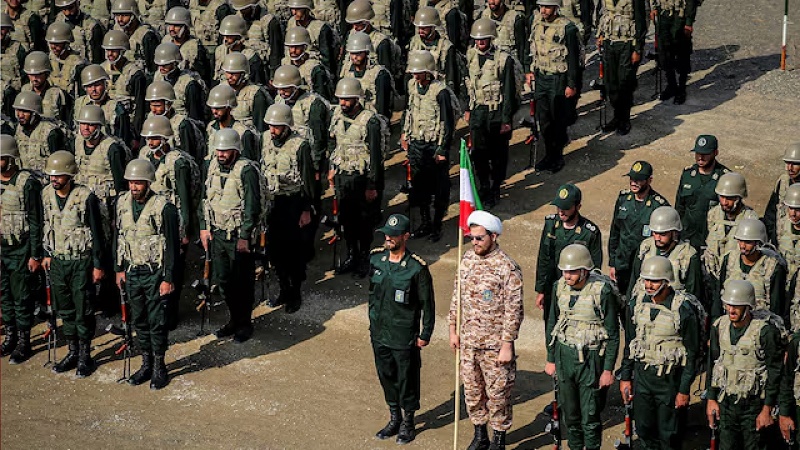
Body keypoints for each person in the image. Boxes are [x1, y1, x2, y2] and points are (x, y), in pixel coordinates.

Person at [449, 211, 523, 450]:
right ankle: (480, 435)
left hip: (494, 346)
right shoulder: (467, 260)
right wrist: (452, 328)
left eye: (480, 238)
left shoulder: (507, 267)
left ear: (493, 236)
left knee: (498, 395)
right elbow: (456, 298)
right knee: (472, 392)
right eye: (472, 237)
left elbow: (514, 309)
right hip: (469, 342)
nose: (475, 242)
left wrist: (507, 344)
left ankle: (499, 440)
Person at [619, 256, 700, 449]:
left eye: (654, 280)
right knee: (645, 429)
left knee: (669, 434)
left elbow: (692, 352)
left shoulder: (683, 309)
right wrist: (625, 377)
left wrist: (683, 390)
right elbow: (630, 343)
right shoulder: (636, 305)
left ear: (666, 281)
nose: (648, 284)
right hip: (643, 376)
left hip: (669, 380)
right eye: (646, 280)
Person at [545, 244, 619, 450]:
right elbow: (552, 323)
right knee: (571, 415)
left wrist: (607, 369)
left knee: (591, 416)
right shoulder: (558, 287)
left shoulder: (602, 292)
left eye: (571, 271)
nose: (566, 275)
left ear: (584, 270)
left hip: (591, 359)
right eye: (564, 271)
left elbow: (612, 334)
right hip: (564, 356)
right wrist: (551, 358)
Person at [113, 158, 179, 389]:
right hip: (132, 271)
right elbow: (118, 236)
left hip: (154, 273)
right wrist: (118, 268)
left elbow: (172, 246)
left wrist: (168, 278)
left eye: (139, 183)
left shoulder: (164, 208)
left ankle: (160, 366)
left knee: (156, 321)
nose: (134, 187)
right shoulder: (121, 203)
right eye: (131, 182)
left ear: (148, 182)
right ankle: (146, 362)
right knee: (139, 319)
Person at [369, 214, 435, 444]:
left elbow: (428, 304)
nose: (388, 238)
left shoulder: (416, 269)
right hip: (380, 333)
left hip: (404, 334)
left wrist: (425, 334)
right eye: (387, 233)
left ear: (405, 236)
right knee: (386, 375)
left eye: (394, 235)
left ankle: (408, 421)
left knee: (407, 379)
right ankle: (394, 417)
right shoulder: (377, 261)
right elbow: (372, 296)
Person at [41, 151, 106, 377]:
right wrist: (45, 254)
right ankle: (72, 351)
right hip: (58, 261)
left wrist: (98, 265)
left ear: (69, 175)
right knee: (66, 310)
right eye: (51, 175)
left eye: (59, 175)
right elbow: (45, 224)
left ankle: (85, 355)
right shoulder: (46, 195)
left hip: (81, 262)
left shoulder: (85, 197)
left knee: (83, 310)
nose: (54, 179)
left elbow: (98, 233)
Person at [706, 279, 785, 450]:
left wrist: (767, 409)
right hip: (727, 402)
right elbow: (713, 363)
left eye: (737, 306)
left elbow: (775, 371)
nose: (731, 310)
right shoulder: (719, 327)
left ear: (748, 306)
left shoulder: (765, 332)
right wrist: (711, 398)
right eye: (728, 305)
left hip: (754, 405)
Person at [200, 128, 263, 343]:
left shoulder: (247, 170)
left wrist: (245, 236)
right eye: (219, 150)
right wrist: (204, 227)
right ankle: (234, 319)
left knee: (242, 282)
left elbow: (253, 206)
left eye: (226, 151)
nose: (221, 154)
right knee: (224, 280)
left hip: (238, 236)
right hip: (217, 233)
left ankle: (244, 323)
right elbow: (204, 199)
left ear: (235, 150)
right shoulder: (210, 166)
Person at [139, 115, 199, 329]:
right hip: (151, 221)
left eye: (155, 138)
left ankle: (170, 314)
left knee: (172, 269)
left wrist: (185, 232)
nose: (150, 142)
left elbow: (184, 198)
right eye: (148, 137)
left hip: (173, 220)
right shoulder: (144, 156)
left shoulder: (177, 162)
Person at [327, 77, 385, 278]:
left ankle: (363, 257)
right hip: (344, 177)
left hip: (362, 179)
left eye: (347, 99)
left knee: (364, 222)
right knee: (346, 220)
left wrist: (372, 185)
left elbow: (376, 157)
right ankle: (352, 255)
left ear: (357, 99)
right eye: (341, 99)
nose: (343, 103)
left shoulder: (370, 121)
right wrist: (332, 168)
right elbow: (334, 144)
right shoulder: (337, 116)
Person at [260, 103, 314, 313]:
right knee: (275, 251)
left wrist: (306, 209)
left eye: (277, 127)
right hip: (272, 203)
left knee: (294, 252)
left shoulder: (300, 146)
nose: (272, 131)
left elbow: (309, 181)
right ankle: (283, 289)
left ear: (287, 126)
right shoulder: (264, 139)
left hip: (293, 202)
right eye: (270, 126)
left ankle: (295, 293)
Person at [400, 50, 454, 243]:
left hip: (434, 146)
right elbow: (408, 110)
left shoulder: (441, 92)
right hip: (416, 144)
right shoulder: (412, 86)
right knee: (419, 186)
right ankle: (425, 221)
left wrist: (443, 149)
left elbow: (448, 123)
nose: (415, 75)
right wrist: (404, 132)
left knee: (439, 189)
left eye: (419, 72)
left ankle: (437, 224)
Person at [464, 18, 519, 208]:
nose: (480, 42)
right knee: (478, 153)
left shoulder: (504, 60)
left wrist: (507, 119)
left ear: (491, 38)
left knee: (498, 154)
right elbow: (467, 84)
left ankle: (496, 187)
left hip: (496, 113)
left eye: (484, 39)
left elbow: (510, 92)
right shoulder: (470, 56)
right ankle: (484, 186)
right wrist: (467, 109)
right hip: (478, 111)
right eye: (477, 39)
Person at [0, 134, 44, 363]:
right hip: (1, 249)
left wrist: (35, 254)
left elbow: (37, 221)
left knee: (21, 297)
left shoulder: (27, 183)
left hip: (20, 249)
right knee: (5, 296)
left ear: (10, 158)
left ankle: (24, 341)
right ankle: (10, 336)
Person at [535, 183, 602, 324]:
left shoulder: (589, 232)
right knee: (551, 324)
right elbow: (543, 258)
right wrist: (541, 290)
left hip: (577, 290)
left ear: (578, 207)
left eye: (566, 208)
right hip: (552, 287)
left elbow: (595, 268)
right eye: (559, 207)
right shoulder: (551, 225)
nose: (561, 212)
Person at [527, 0, 581, 173]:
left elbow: (573, 59)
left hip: (558, 80)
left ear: (556, 8)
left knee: (557, 121)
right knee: (544, 122)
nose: (543, 10)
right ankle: (549, 154)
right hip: (541, 78)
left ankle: (557, 157)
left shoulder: (568, 28)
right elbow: (532, 49)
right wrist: (530, 70)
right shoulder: (536, 23)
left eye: (547, 7)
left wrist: (571, 84)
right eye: (541, 6)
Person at [609, 160, 669, 295]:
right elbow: (615, 231)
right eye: (631, 178)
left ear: (649, 180)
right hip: (623, 262)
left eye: (639, 180)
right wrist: (612, 262)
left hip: (644, 264)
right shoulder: (623, 199)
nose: (633, 183)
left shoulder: (659, 206)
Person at [628, 206, 704, 305]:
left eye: (663, 234)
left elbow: (693, 296)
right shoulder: (645, 248)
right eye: (655, 233)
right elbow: (634, 281)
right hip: (644, 309)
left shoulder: (687, 255)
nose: (657, 238)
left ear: (674, 233)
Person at [713, 218, 787, 320]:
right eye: (740, 241)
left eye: (748, 242)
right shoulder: (729, 260)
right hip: (731, 319)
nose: (742, 246)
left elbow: (776, 305)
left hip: (760, 323)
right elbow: (719, 293)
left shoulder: (772, 266)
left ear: (758, 242)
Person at [674, 134, 730, 252]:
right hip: (687, 238)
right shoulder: (688, 174)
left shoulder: (725, 178)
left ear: (715, 153)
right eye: (698, 153)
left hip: (711, 239)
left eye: (705, 154)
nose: (700, 157)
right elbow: (679, 206)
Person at [702, 172, 759, 280]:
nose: (724, 202)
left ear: (739, 197)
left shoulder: (750, 219)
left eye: (729, 198)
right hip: (712, 276)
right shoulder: (713, 214)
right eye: (721, 197)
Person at [144, 80, 207, 162]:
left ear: (168, 104)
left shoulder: (182, 125)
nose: (154, 110)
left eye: (158, 106)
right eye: (151, 106)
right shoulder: (150, 118)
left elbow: (188, 156)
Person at [101, 29, 147, 140]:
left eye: (114, 51)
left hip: (128, 127)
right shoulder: (101, 70)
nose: (110, 54)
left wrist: (136, 136)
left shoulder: (135, 74)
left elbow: (140, 107)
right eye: (108, 50)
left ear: (122, 51)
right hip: (105, 124)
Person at [407, 6, 461, 99]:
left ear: (433, 27)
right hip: (418, 89)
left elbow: (451, 77)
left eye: (424, 28)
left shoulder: (446, 47)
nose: (420, 31)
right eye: (419, 28)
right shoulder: (414, 42)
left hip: (437, 90)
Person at [652, 0, 697, 104]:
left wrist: (689, 22)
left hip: (680, 15)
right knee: (664, 53)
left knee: (682, 53)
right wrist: (654, 8)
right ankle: (671, 85)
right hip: (663, 13)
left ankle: (681, 89)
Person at [74, 64, 133, 143]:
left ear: (105, 84)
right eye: (89, 86)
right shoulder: (79, 104)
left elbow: (124, 138)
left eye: (97, 85)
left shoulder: (116, 108)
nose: (93, 89)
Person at [340, 31, 393, 119]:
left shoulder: (380, 74)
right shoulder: (346, 71)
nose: (354, 57)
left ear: (367, 53)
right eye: (352, 53)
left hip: (372, 119)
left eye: (358, 53)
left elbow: (382, 108)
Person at [204, 83, 260, 166]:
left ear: (229, 107)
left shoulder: (243, 133)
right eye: (212, 107)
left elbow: (248, 165)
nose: (214, 111)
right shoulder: (211, 128)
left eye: (219, 108)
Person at [13, 91, 66, 177]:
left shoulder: (51, 133)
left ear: (34, 113)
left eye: (25, 112)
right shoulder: (18, 129)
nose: (20, 115)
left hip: (46, 181)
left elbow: (59, 166)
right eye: (18, 111)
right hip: (25, 180)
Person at [230, 0, 284, 82]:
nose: (242, 11)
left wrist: (273, 77)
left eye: (245, 8)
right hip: (241, 68)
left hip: (262, 69)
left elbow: (275, 52)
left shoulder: (269, 22)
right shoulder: (237, 18)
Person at [153, 42, 207, 121]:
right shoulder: (158, 78)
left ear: (175, 63)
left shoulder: (189, 84)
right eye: (159, 64)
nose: (161, 67)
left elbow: (195, 117)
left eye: (165, 64)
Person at [221, 51, 273, 133]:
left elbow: (261, 129)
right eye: (227, 72)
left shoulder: (255, 94)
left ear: (243, 74)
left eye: (234, 73)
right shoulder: (221, 89)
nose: (229, 76)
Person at [281, 26, 334, 102]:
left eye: (297, 47)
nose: (293, 50)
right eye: (291, 47)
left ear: (305, 47)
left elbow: (322, 99)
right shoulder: (285, 63)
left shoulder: (315, 69)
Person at [286, 0, 337, 76]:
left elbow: (327, 60)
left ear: (307, 10)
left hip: (314, 71)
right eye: (292, 9)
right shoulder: (291, 23)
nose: (294, 13)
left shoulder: (320, 28)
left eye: (298, 9)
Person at [163, 6, 212, 84]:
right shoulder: (165, 42)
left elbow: (204, 75)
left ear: (185, 27)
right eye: (170, 25)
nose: (171, 29)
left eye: (176, 26)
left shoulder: (195, 48)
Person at [214, 14, 267, 85]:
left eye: (229, 36)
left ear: (239, 38)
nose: (225, 39)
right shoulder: (220, 51)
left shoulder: (251, 57)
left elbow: (258, 83)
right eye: (224, 36)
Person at [764, 142, 800, 244]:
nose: (789, 168)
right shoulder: (783, 182)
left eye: (795, 164)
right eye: (787, 163)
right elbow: (771, 213)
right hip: (781, 241)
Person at [21, 50, 71, 124]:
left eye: (38, 74)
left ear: (46, 74)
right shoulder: (24, 91)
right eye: (31, 74)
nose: (34, 78)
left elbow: (67, 121)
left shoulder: (58, 94)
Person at [111, 0, 159, 73]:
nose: (120, 19)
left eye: (124, 15)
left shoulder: (147, 36)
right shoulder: (117, 30)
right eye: (117, 15)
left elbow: (153, 68)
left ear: (133, 15)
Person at [45, 20, 88, 99]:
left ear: (66, 43)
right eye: (51, 43)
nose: (53, 47)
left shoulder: (79, 65)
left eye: (57, 44)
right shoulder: (47, 60)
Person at [779, 184, 800, 331]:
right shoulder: (782, 225)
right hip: (784, 288)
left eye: (798, 209)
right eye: (790, 208)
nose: (793, 213)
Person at [480, 0, 526, 64]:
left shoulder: (515, 18)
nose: (492, 2)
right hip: (488, 65)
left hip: (509, 64)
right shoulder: (484, 16)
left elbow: (522, 47)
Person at [1, 12, 27, 119]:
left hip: (14, 95)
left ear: (8, 30)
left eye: (3, 28)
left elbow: (25, 75)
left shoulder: (18, 49)